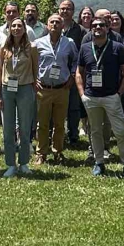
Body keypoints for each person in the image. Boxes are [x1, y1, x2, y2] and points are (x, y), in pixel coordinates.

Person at [76, 16, 124, 178]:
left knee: (120, 132)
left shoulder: (117, 47)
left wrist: (119, 93)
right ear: (91, 29)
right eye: (95, 25)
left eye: (102, 25)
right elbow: (79, 72)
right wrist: (82, 94)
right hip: (91, 97)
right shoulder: (85, 48)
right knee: (95, 131)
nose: (98, 27)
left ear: (108, 28)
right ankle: (99, 162)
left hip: (111, 97)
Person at [0, 18, 39, 178]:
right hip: (7, 89)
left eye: (19, 26)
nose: (16, 28)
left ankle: (24, 163)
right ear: (9, 29)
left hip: (25, 88)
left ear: (24, 29)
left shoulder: (32, 48)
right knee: (8, 129)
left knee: (25, 127)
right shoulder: (4, 48)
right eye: (13, 26)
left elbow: (35, 69)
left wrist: (34, 87)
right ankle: (10, 164)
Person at [35, 14, 78, 163]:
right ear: (47, 25)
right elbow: (31, 62)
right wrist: (34, 78)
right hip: (43, 89)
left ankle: (58, 151)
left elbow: (76, 60)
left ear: (63, 26)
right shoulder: (38, 43)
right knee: (42, 124)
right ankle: (41, 153)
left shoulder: (69, 42)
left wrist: (72, 76)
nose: (55, 24)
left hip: (62, 89)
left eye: (58, 22)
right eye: (52, 22)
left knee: (60, 124)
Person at [59, 0, 87, 146]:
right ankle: (57, 134)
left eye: (68, 9)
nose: (65, 11)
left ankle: (73, 135)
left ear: (73, 11)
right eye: (62, 8)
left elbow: (83, 55)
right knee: (56, 107)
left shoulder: (81, 30)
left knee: (73, 107)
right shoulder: (52, 26)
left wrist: (74, 75)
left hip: (74, 74)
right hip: (56, 75)